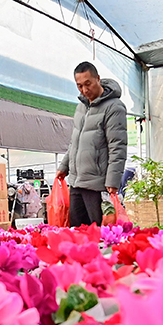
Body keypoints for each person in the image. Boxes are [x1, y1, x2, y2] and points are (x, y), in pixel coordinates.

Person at [56, 62, 127, 227]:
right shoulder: (81, 107)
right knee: (76, 231)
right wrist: (64, 166)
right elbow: (75, 141)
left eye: (88, 84)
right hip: (76, 181)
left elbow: (118, 146)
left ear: (98, 79)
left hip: (98, 185)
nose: (85, 90)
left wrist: (113, 181)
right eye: (79, 86)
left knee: (100, 233)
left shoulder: (114, 107)